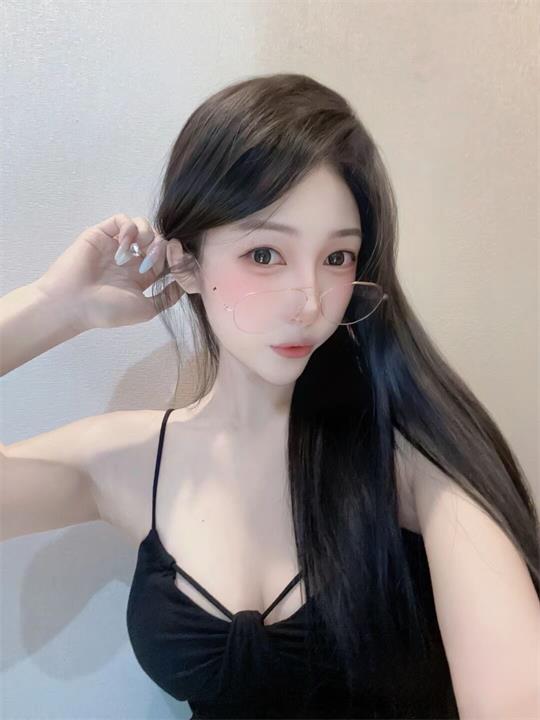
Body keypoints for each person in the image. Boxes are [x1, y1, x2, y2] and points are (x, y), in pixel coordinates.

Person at [1, 73, 538, 719]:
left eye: (337, 258)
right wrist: (51, 308)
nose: (310, 302)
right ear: (186, 263)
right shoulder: (131, 461)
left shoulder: (408, 457)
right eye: (264, 255)